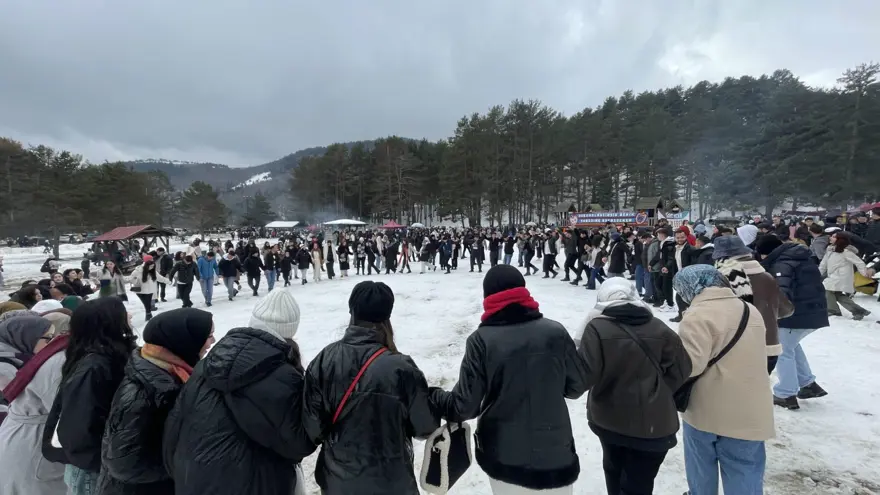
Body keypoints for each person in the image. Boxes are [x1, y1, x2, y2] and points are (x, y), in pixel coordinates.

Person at [431, 265, 590, 495]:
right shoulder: (555, 332)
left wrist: (433, 395)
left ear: (488, 297)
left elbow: (464, 406)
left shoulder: (481, 340)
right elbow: (576, 386)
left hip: (504, 454)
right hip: (555, 451)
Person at [163, 290, 315, 495]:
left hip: (194, 480)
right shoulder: (282, 376)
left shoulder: (207, 364)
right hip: (251, 484)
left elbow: (175, 426)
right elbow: (297, 444)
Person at [303, 281, 438, 494]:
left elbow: (313, 429)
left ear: (352, 311)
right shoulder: (402, 368)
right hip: (393, 482)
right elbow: (425, 427)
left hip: (338, 482)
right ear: (387, 316)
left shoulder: (324, 360)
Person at [577, 277, 691, 495]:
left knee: (613, 470)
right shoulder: (659, 327)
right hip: (654, 423)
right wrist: (658, 391)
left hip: (610, 418)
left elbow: (585, 375)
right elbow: (682, 369)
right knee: (641, 482)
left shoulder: (597, 328)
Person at [674, 265, 773, 495]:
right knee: (745, 469)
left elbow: (690, 366)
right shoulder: (749, 309)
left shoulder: (696, 316)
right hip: (750, 408)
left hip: (707, 409)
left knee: (701, 467)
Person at [97, 308, 214, 495]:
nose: (212, 341)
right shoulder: (141, 393)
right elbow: (123, 464)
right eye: (208, 336)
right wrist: (186, 465)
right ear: (183, 341)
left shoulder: (170, 371)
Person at [43, 297, 138, 495]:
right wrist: (105, 463)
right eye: (123, 313)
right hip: (93, 471)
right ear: (109, 323)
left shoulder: (110, 355)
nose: (129, 316)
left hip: (105, 464)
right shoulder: (94, 366)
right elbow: (79, 428)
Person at [755, 234, 830, 410]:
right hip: (812, 310)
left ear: (767, 252)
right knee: (791, 345)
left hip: (796, 314)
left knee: (781, 350)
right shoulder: (799, 257)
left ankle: (786, 393)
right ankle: (808, 383)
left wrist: (774, 314)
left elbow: (782, 292)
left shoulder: (782, 264)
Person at [0, 314, 69, 495]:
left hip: (18, 437)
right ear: (25, 337)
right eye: (48, 338)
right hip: (24, 440)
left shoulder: (23, 359)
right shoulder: (5, 367)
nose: (52, 343)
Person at [713, 235, 792, 373]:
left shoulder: (724, 279)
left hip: (738, 348)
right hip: (769, 347)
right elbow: (786, 310)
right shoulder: (767, 277)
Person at [819, 231, 874, 320]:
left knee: (827, 290)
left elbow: (859, 262)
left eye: (833, 236)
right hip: (833, 276)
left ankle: (833, 310)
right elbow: (823, 264)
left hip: (841, 277)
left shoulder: (846, 251)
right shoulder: (830, 250)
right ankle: (859, 311)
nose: (830, 238)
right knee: (837, 295)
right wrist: (817, 274)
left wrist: (864, 273)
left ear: (840, 240)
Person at [129, 256, 171, 321]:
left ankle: (148, 316)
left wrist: (168, 281)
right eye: (151, 265)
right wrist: (136, 280)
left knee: (147, 304)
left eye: (153, 266)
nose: (152, 267)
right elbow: (131, 278)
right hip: (140, 291)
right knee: (146, 304)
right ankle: (149, 315)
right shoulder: (138, 270)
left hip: (149, 291)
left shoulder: (153, 270)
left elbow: (160, 278)